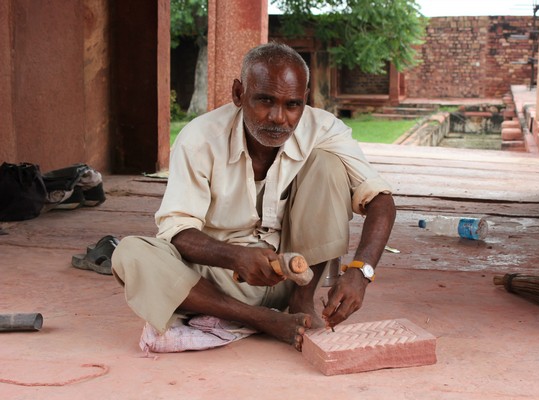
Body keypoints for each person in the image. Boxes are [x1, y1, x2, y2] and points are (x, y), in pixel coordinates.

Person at [112, 42, 396, 352]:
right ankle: (261, 320)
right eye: (265, 100)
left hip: (294, 276)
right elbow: (176, 232)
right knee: (130, 253)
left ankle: (300, 304)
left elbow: (380, 199)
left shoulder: (324, 129)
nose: (278, 117)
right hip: (219, 280)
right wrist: (235, 256)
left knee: (328, 164)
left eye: (292, 105)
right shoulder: (199, 139)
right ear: (238, 93)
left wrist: (361, 271)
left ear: (304, 101)